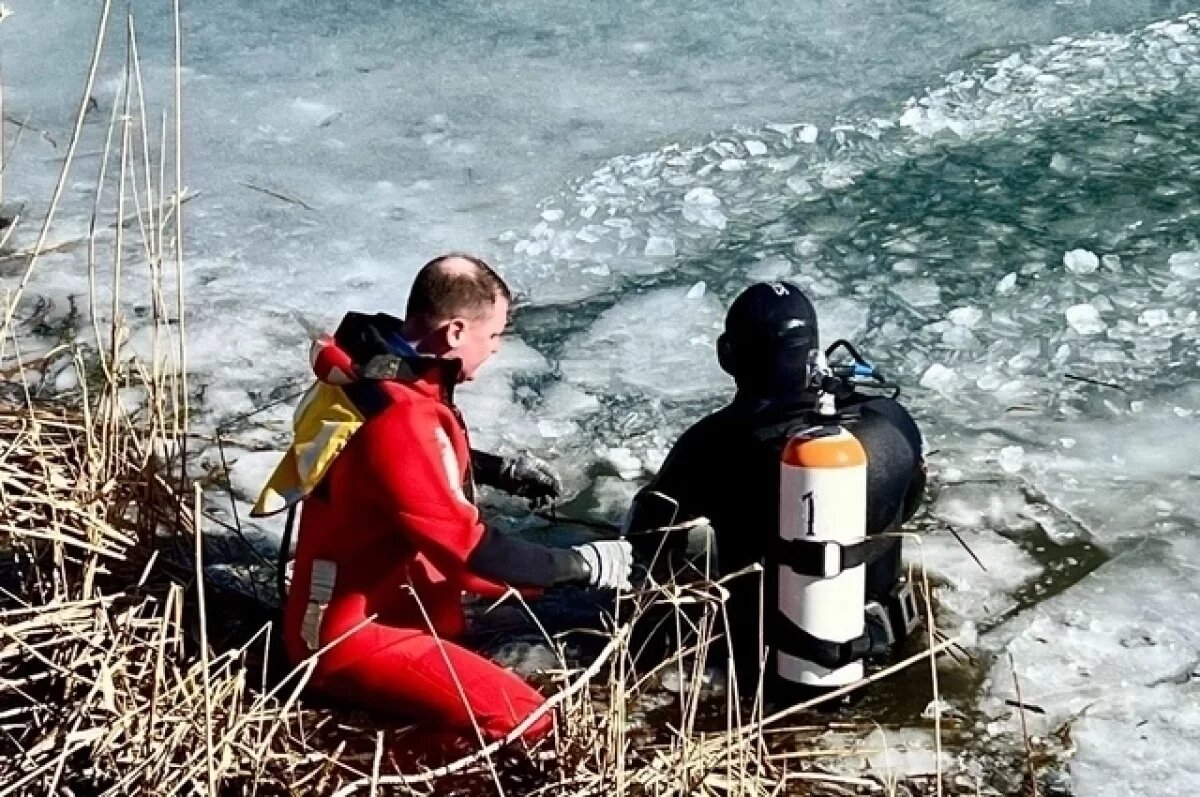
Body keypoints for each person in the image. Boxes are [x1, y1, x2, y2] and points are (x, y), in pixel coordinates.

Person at [251, 253, 633, 745]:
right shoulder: (401, 419)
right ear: (455, 332)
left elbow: (400, 470)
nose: (495, 349)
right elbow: (471, 549)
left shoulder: (373, 376)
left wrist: (496, 470)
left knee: (476, 625)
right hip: (347, 636)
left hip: (353, 599)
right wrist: (584, 565)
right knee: (532, 721)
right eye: (493, 335)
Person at [624, 280, 925, 697]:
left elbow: (648, 543)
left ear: (727, 355)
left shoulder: (712, 444)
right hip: (888, 652)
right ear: (814, 353)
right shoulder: (891, 417)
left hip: (772, 674)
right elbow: (908, 504)